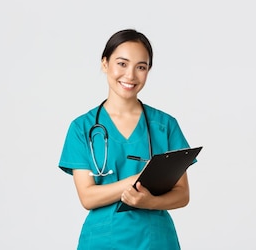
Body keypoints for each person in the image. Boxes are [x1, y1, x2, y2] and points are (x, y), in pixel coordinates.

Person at [57, 28, 196, 249]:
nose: (130, 75)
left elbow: (182, 195)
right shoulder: (82, 128)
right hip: (103, 240)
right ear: (105, 64)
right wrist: (136, 179)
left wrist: (151, 202)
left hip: (156, 240)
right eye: (122, 63)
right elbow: (88, 197)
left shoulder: (165, 125)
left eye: (141, 67)